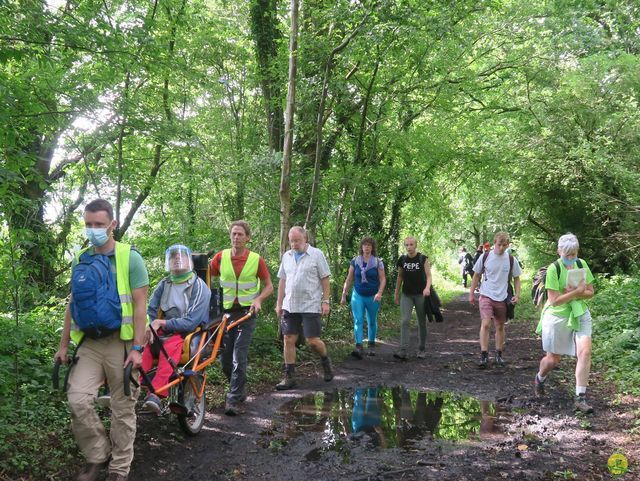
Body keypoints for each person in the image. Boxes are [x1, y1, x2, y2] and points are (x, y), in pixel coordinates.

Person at [53, 199, 149, 481]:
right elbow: (73, 303)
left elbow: (141, 306)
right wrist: (62, 345)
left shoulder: (130, 258)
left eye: (98, 224)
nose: (93, 229)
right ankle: (97, 455)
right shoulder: (81, 259)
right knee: (78, 399)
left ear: (112, 225)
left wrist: (138, 349)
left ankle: (119, 470)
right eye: (88, 224)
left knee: (122, 408)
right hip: (90, 344)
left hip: (122, 343)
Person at [209, 220, 273, 415]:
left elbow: (269, 286)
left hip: (247, 314)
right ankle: (239, 389)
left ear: (247, 238)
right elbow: (205, 278)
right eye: (234, 234)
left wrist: (259, 299)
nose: (236, 237)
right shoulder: (220, 258)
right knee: (225, 361)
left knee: (239, 355)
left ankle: (233, 399)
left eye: (240, 234)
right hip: (225, 315)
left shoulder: (256, 259)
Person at [141, 244, 211, 414]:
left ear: (190, 261)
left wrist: (161, 323)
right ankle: (132, 383)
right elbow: (151, 309)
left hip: (188, 332)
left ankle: (156, 393)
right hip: (165, 329)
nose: (177, 259)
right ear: (168, 262)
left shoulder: (199, 286)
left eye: (181, 256)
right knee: (144, 344)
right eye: (172, 256)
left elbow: (190, 322)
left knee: (169, 347)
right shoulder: (164, 284)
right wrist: (152, 325)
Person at [534, 233, 596, 413]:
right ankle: (540, 378)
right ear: (559, 251)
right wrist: (576, 292)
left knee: (585, 352)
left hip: (579, 313)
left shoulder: (581, 264)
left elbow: (590, 292)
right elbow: (554, 301)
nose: (571, 258)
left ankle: (580, 397)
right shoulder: (554, 269)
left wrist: (578, 292)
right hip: (556, 317)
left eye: (574, 254)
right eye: (567, 255)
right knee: (553, 359)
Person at [275, 226, 334, 390]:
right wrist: (279, 303)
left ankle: (325, 361)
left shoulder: (316, 254)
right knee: (288, 339)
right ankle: (289, 376)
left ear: (305, 239)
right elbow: (282, 280)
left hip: (310, 303)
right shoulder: (287, 256)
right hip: (290, 304)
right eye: (291, 241)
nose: (294, 244)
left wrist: (326, 301)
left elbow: (325, 278)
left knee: (312, 341)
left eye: (297, 241)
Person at [469, 232, 522, 369]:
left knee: (500, 326)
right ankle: (484, 354)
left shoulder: (511, 260)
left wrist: (517, 294)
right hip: (486, 294)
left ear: (508, 245)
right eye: (499, 244)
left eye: (504, 245)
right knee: (486, 323)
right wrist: (471, 293)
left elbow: (516, 278)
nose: (501, 247)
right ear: (494, 243)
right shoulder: (485, 256)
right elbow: (476, 275)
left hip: (502, 297)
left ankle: (498, 354)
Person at [340, 237, 386, 358]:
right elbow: (349, 278)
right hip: (358, 295)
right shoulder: (355, 261)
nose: (366, 247)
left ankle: (371, 345)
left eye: (369, 245)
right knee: (358, 320)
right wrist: (344, 294)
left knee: (371, 321)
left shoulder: (377, 262)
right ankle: (359, 346)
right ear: (361, 247)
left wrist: (380, 293)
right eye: (364, 245)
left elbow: (383, 279)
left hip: (373, 296)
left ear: (372, 248)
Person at [393, 236, 432, 360]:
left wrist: (427, 288)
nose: (409, 247)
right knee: (405, 321)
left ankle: (421, 348)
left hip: (421, 295)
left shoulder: (422, 258)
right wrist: (396, 293)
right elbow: (400, 277)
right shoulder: (402, 260)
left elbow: (429, 276)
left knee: (422, 322)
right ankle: (403, 350)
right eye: (407, 245)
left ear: (415, 245)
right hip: (406, 295)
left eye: (411, 244)